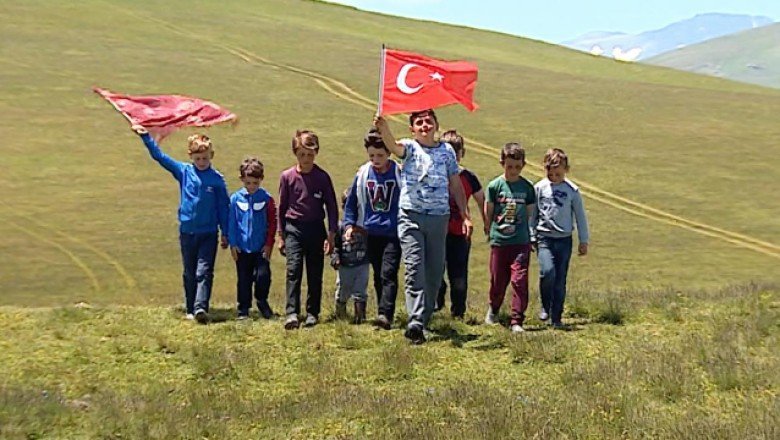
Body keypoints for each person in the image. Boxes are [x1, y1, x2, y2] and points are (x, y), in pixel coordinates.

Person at [373, 110, 470, 344]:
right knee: (414, 267)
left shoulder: (447, 152)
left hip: (439, 218)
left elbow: (456, 185)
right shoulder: (409, 148)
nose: (424, 125)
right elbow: (393, 147)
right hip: (411, 216)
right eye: (419, 122)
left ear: (436, 125)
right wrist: (383, 127)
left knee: (434, 272)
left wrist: (465, 215)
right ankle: (415, 320)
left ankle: (423, 320)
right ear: (412, 129)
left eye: (428, 121)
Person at [131, 125, 229, 324]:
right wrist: (145, 136)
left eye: (205, 158)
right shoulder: (184, 172)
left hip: (209, 233)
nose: (202, 162)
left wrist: (226, 232)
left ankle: (201, 307)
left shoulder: (217, 180)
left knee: (204, 271)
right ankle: (190, 307)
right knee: (189, 272)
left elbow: (223, 208)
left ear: (212, 155)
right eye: (198, 158)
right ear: (191, 156)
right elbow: (160, 158)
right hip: (187, 232)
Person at [342, 128, 402, 330]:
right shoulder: (363, 174)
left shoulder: (398, 173)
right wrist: (350, 225)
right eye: (372, 155)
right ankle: (381, 312)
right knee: (378, 274)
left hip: (393, 233)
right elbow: (351, 202)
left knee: (388, 272)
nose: (376, 159)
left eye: (380, 155)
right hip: (371, 232)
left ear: (389, 153)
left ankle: (386, 314)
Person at [277, 130, 338, 329]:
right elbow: (282, 207)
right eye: (302, 154)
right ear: (295, 153)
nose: (306, 159)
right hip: (294, 228)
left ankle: (313, 312)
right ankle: (292, 312)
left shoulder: (322, 177)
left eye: (310, 154)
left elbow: (331, 206)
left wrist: (331, 234)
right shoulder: (287, 177)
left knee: (315, 272)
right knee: (293, 270)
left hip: (316, 229)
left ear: (316, 153)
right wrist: (281, 235)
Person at [530, 148, 589, 328]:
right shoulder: (539, 188)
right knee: (547, 272)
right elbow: (533, 214)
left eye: (558, 173)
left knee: (560, 278)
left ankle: (557, 317)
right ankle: (545, 306)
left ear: (566, 169)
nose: (554, 177)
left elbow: (580, 216)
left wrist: (583, 240)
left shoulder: (572, 190)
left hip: (564, 240)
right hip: (544, 238)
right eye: (550, 173)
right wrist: (531, 234)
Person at [435, 130, 487, 318]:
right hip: (438, 232)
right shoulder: (436, 175)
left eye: (455, 154)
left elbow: (482, 199)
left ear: (461, 154)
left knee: (459, 277)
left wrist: (486, 223)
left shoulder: (468, 177)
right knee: (435, 273)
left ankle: (458, 313)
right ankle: (437, 301)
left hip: (459, 234)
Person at [484, 142, 536, 333]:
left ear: (523, 165)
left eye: (517, 167)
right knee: (498, 280)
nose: (513, 170)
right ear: (502, 164)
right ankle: (494, 309)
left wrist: (530, 235)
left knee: (519, 279)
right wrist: (488, 227)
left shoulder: (527, 188)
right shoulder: (495, 186)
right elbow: (489, 209)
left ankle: (517, 320)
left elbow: (530, 214)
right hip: (500, 241)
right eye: (509, 166)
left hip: (520, 242)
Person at [228, 157, 276, 320]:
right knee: (243, 280)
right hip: (242, 248)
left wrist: (269, 244)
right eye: (248, 183)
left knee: (263, 276)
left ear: (261, 180)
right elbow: (232, 223)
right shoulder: (235, 199)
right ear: (242, 180)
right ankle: (243, 310)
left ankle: (262, 301)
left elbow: (272, 222)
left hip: (260, 248)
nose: (252, 187)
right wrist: (233, 244)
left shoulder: (266, 199)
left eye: (255, 183)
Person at [332, 190, 370, 323]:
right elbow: (335, 246)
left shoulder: (366, 225)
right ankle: (340, 314)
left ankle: (360, 317)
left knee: (360, 291)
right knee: (343, 290)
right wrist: (335, 258)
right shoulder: (339, 226)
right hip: (345, 265)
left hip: (362, 263)